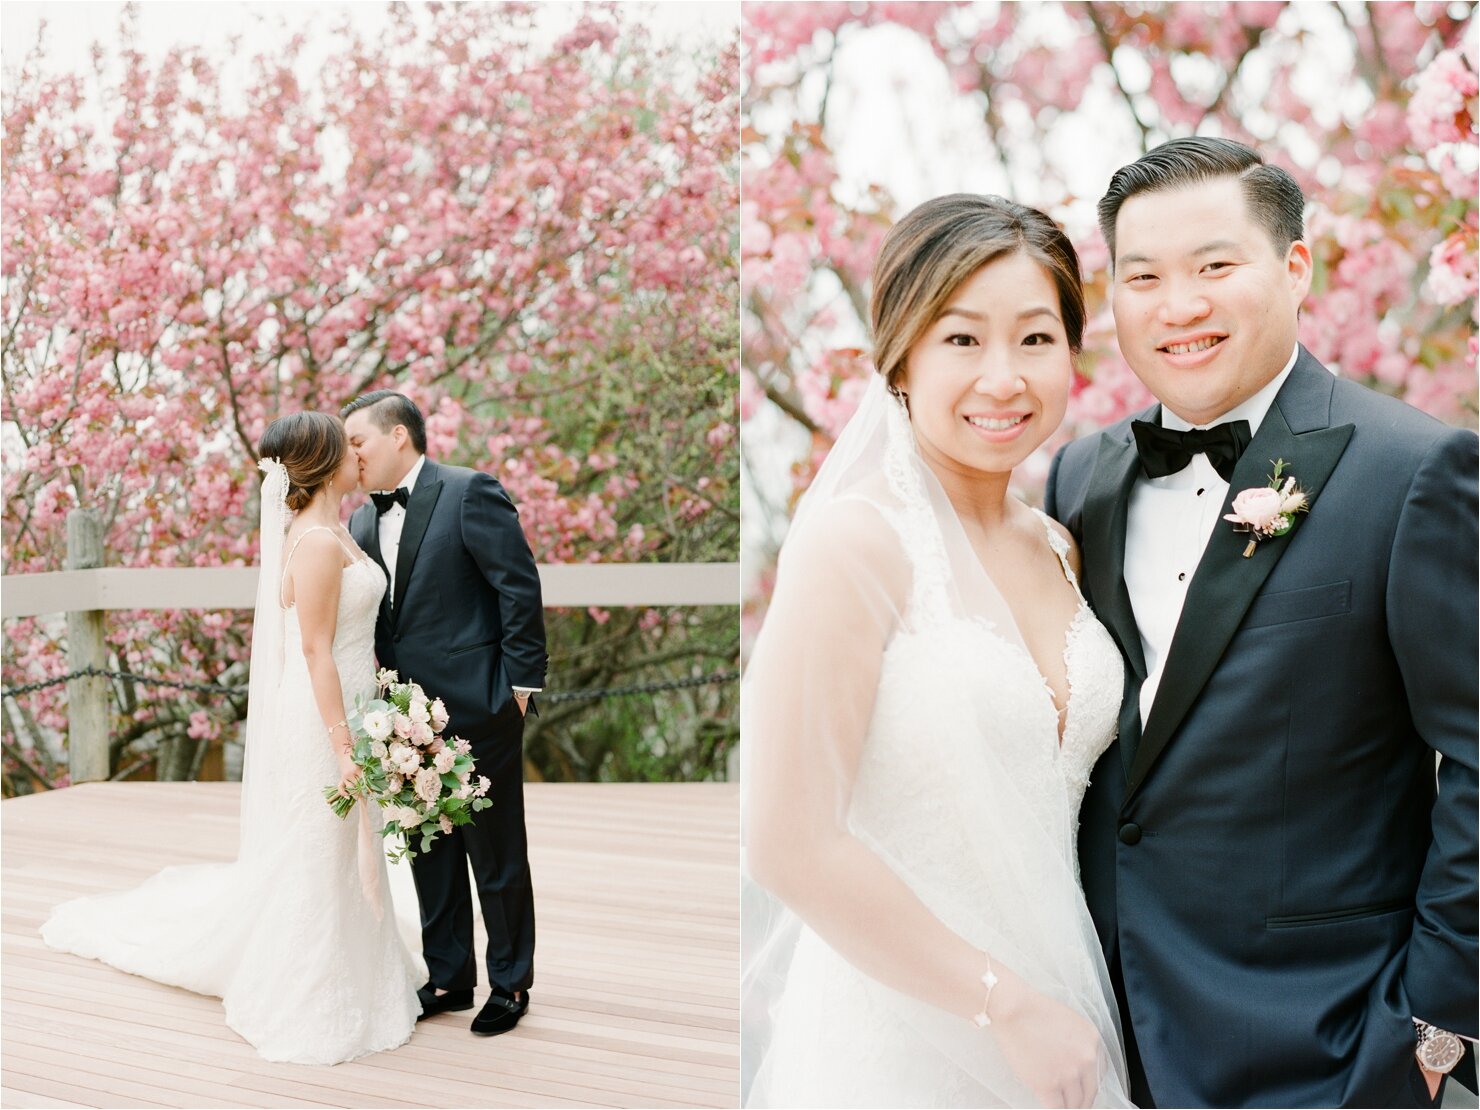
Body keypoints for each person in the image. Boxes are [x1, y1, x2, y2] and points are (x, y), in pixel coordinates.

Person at [1045, 136, 1479, 1108]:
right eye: (1142, 276)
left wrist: (1438, 1025)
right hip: (1108, 1038)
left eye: (1213, 266)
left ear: (1294, 268)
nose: (1177, 305)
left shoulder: (1412, 472)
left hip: (1328, 1049)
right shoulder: (1080, 478)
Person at [743, 194, 1133, 1108]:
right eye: (963, 340)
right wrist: (1002, 1005)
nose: (1004, 377)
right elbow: (788, 841)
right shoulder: (858, 543)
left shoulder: (1059, 548)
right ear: (903, 355)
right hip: (906, 1023)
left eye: (1036, 339)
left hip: (1066, 1010)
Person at [41, 412, 422, 1065]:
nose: (357, 453)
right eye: (346, 445)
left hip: (355, 705)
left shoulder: (337, 530)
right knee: (319, 847)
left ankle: (365, 975)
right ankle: (307, 990)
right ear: (324, 461)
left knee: (337, 846)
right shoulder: (318, 543)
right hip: (326, 714)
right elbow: (314, 651)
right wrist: (343, 746)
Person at [342, 390, 547, 1037]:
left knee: (497, 853)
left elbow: (517, 586)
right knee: (428, 849)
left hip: (481, 706)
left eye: (358, 442)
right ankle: (449, 977)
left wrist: (519, 686)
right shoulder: (360, 524)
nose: (352, 456)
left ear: (399, 435)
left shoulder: (469, 492)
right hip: (402, 718)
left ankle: (510, 983)